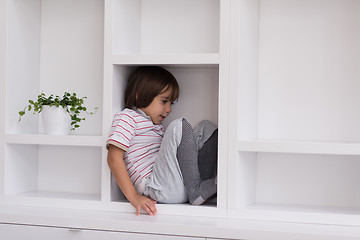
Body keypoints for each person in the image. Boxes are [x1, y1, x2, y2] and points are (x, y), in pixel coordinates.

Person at [106, 66, 218, 216]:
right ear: (140, 96)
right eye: (164, 101)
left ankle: (201, 188)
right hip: (156, 188)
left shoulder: (156, 127)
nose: (169, 109)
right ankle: (197, 190)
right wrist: (133, 197)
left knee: (207, 128)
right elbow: (113, 158)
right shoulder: (127, 118)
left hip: (178, 185)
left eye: (171, 103)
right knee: (180, 125)